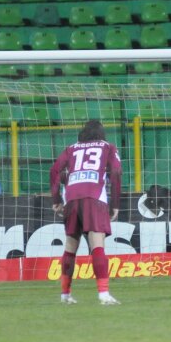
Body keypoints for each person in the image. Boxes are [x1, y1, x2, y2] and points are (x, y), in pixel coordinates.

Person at [49, 119, 122, 305]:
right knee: (97, 245)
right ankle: (103, 294)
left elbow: (55, 170)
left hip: (72, 197)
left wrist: (57, 200)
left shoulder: (71, 148)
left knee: (70, 247)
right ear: (101, 133)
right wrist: (115, 203)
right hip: (94, 197)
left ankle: (65, 294)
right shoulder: (108, 147)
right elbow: (115, 171)